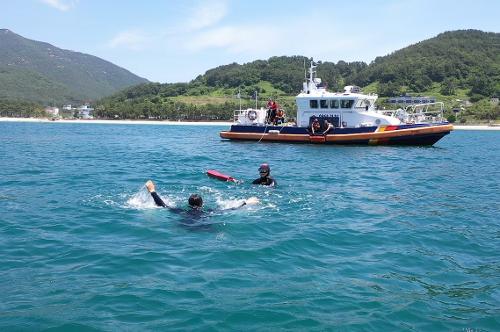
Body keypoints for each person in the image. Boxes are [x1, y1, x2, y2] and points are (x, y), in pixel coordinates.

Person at [145, 180, 259, 216]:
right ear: (202, 204)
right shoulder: (207, 211)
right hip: (204, 228)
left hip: (185, 228)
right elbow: (232, 209)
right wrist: (247, 202)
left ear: (188, 204)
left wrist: (152, 191)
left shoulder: (182, 211)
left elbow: (163, 205)